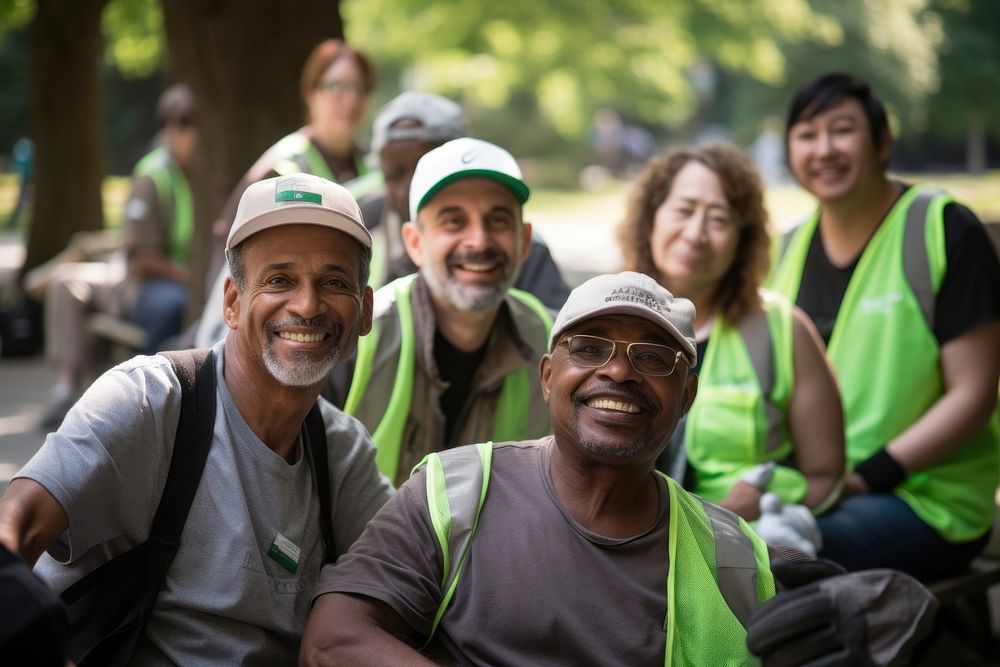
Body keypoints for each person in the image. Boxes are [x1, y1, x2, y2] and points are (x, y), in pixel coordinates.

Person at [301, 271, 937, 666]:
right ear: (549, 376)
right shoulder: (454, 491)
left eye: (654, 357)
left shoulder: (736, 562)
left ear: (685, 397)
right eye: (589, 347)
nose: (619, 371)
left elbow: (880, 616)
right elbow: (332, 640)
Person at [0, 173, 393, 664]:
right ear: (231, 303)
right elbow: (18, 525)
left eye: (334, 282)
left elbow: (403, 583)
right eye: (279, 280)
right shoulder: (151, 401)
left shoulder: (342, 452)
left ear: (364, 310)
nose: (307, 304)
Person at [771, 72, 1000, 580]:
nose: (824, 149)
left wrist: (866, 477)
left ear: (881, 142)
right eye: (807, 135)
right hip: (812, 487)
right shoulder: (784, 249)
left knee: (777, 551)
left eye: (842, 129)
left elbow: (975, 392)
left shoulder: (941, 228)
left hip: (925, 499)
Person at [618, 143, 844, 523]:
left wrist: (763, 512)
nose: (696, 233)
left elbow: (825, 476)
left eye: (719, 219)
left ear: (744, 238)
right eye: (684, 210)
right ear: (651, 217)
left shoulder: (783, 330)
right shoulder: (604, 319)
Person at [323, 137, 552, 486]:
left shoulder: (554, 343)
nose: (479, 241)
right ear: (415, 243)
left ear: (524, 240)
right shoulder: (355, 339)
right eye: (454, 222)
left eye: (498, 221)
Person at [36, 83, 198, 428]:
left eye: (196, 121)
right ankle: (143, 398)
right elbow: (143, 261)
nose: (192, 131)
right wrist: (189, 278)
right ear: (169, 127)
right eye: (184, 122)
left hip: (180, 279)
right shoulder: (153, 177)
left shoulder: (201, 174)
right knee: (172, 303)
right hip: (146, 284)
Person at [362, 90, 571, 308]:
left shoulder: (518, 247)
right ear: (414, 241)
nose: (407, 188)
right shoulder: (361, 230)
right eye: (393, 175)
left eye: (422, 170)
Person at [206, 39, 380, 288]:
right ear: (311, 93)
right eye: (337, 86)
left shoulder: (375, 162)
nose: (350, 99)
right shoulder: (283, 165)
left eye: (359, 88)